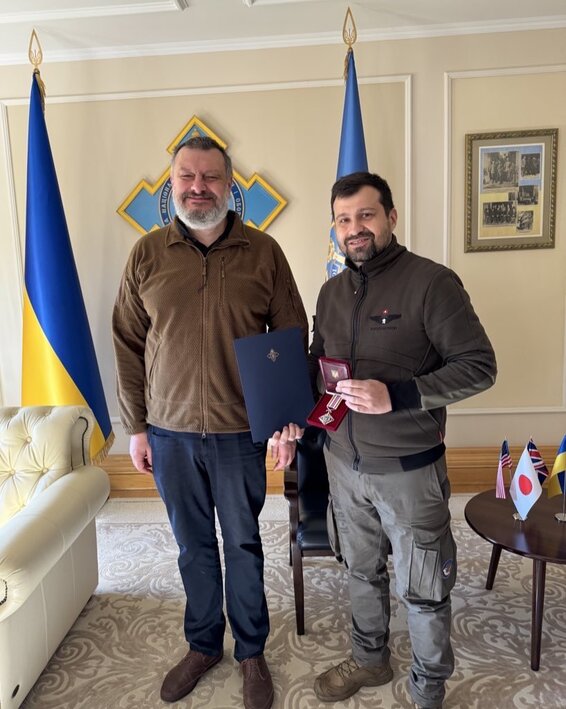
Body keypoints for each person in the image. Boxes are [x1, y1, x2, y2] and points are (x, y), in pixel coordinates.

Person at [112, 136, 308, 708]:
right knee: (192, 546)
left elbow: (292, 338)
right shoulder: (147, 254)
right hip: (169, 434)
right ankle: (202, 644)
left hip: (239, 433)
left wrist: (286, 423)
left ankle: (251, 652)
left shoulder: (263, 252)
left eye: (211, 178)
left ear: (230, 184)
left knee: (243, 544)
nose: (198, 188)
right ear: (171, 185)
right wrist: (138, 426)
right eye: (186, 178)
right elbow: (127, 342)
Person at [307, 171, 497, 708]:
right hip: (344, 463)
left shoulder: (432, 283)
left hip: (410, 470)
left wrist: (402, 396)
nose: (355, 229)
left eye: (366, 215)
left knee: (424, 584)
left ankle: (428, 687)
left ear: (391, 217)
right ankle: (369, 659)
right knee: (361, 570)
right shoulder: (330, 291)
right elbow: (320, 369)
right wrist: (297, 414)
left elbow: (480, 367)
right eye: (344, 220)